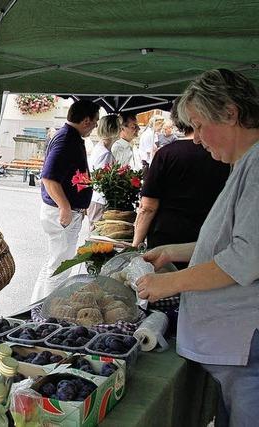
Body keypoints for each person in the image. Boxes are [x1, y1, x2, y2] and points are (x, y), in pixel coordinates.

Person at [136, 69, 259, 426]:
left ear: (231, 112)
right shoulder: (244, 163)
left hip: (247, 344)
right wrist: (175, 251)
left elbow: (246, 258)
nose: (196, 138)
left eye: (200, 125)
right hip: (236, 351)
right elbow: (234, 242)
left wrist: (170, 283)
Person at [132, 103, 229, 267]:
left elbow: (148, 207)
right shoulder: (224, 155)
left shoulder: (166, 154)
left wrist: (135, 244)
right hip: (209, 236)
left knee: (166, 288)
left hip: (167, 238)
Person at [31, 99, 99, 303]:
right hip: (61, 213)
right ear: (86, 120)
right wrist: (65, 208)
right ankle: (46, 310)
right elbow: (49, 177)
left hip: (64, 211)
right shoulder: (66, 139)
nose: (96, 125)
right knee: (60, 267)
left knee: (54, 263)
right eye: (95, 121)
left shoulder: (70, 137)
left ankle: (37, 306)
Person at [86, 114, 120, 226]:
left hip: (96, 199)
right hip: (100, 199)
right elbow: (101, 180)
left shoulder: (101, 148)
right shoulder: (105, 153)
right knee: (98, 235)